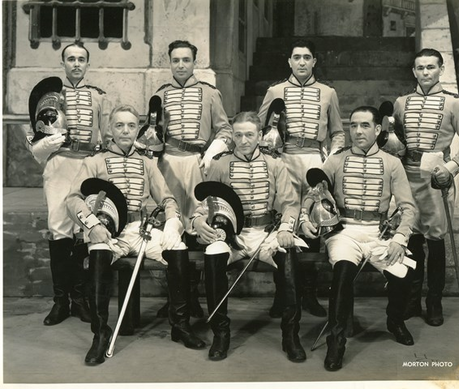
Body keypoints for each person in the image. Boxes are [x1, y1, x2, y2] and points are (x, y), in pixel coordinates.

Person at [66, 105, 206, 365]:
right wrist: (92, 225)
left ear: (137, 129)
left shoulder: (147, 162)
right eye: (119, 125)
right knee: (98, 254)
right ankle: (100, 333)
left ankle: (180, 324)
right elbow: (73, 200)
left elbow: (166, 198)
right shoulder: (93, 162)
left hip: (139, 229)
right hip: (107, 230)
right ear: (110, 129)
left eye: (131, 126)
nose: (125, 131)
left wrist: (173, 219)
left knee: (177, 249)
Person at [301, 106, 417, 371]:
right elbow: (312, 194)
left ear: (377, 130)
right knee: (342, 273)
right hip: (344, 231)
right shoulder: (336, 160)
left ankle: (395, 320)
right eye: (353, 125)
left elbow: (408, 207)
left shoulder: (392, 162)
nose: (357, 131)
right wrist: (305, 218)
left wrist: (400, 237)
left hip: (379, 232)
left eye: (365, 125)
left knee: (404, 273)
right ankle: (336, 341)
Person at [192, 111, 307, 362]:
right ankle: (221, 333)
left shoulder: (275, 164)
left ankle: (291, 335)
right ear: (232, 136)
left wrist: (286, 228)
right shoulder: (220, 165)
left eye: (249, 135)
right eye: (238, 135)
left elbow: (290, 203)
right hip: (232, 234)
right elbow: (206, 203)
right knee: (212, 254)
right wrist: (198, 221)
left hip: (266, 232)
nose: (243, 140)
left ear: (259, 136)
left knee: (289, 255)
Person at [258, 39, 345, 318]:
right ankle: (282, 294)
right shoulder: (275, 91)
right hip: (283, 160)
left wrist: (329, 162)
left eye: (307, 57)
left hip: (313, 160)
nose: (302, 63)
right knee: (282, 222)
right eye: (297, 57)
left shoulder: (328, 93)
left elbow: (338, 133)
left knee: (314, 222)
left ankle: (309, 293)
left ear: (314, 61)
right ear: (289, 62)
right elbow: (260, 127)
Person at [26, 43, 110, 326]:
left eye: (81, 59)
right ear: (63, 63)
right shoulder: (49, 95)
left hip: (88, 164)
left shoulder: (97, 97)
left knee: (83, 229)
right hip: (60, 164)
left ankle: (80, 298)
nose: (76, 64)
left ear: (88, 64)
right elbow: (35, 139)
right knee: (60, 231)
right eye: (71, 59)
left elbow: (106, 135)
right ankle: (61, 302)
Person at [393, 48, 459, 326]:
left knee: (435, 239)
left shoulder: (454, 104)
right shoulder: (401, 103)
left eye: (431, 67)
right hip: (406, 175)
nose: (425, 72)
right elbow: (398, 141)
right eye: (420, 67)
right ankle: (412, 300)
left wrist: (451, 168)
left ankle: (434, 301)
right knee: (412, 237)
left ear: (441, 69)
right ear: (413, 71)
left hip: (435, 178)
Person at [152, 40, 233, 319]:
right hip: (168, 164)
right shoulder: (160, 94)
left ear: (194, 62)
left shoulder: (210, 94)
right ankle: (176, 296)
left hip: (199, 164)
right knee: (172, 227)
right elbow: (151, 132)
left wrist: (211, 153)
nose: (181, 65)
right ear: (170, 63)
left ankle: (194, 296)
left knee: (197, 226)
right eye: (176, 60)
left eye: (186, 60)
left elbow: (225, 131)